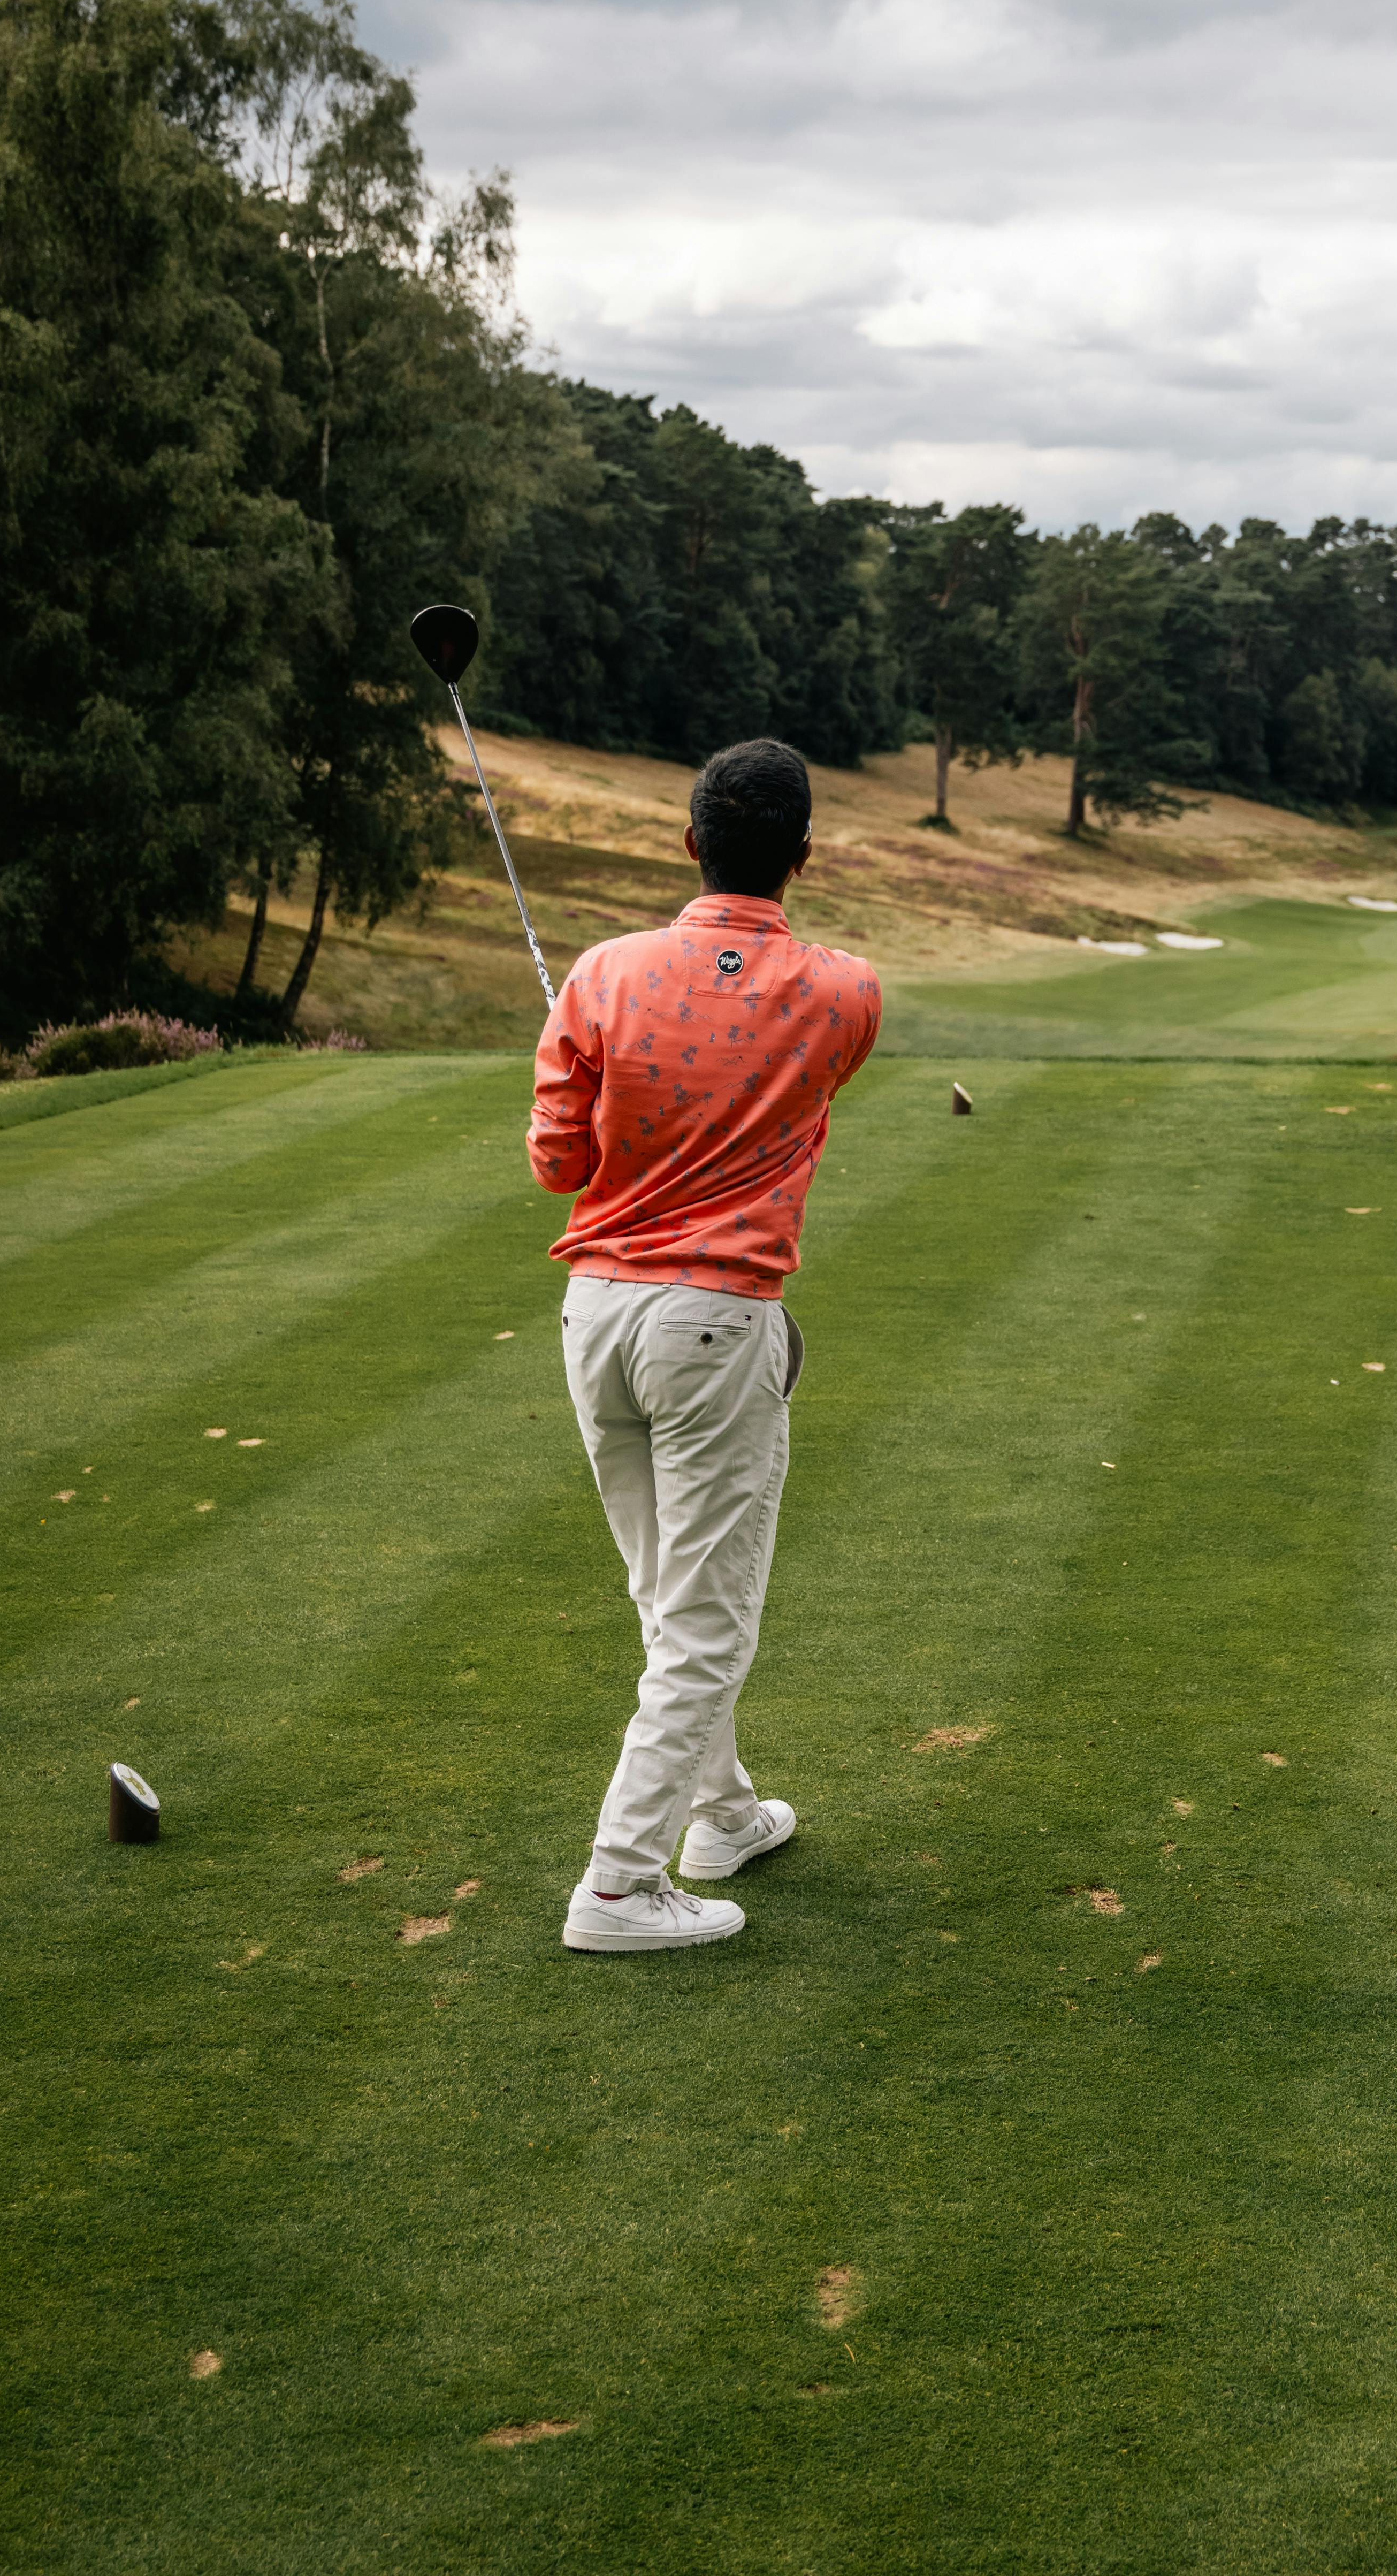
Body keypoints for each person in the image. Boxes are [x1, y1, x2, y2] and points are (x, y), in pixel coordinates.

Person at [526, 738, 880, 1952]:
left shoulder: (601, 973)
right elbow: (804, 1072)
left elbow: (558, 1167)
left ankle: (721, 1817)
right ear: (802, 856)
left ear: (689, 842)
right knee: (701, 1622)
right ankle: (619, 1885)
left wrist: (585, 1050)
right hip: (715, 1321)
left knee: (663, 1596)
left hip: (597, 1315)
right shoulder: (844, 990)